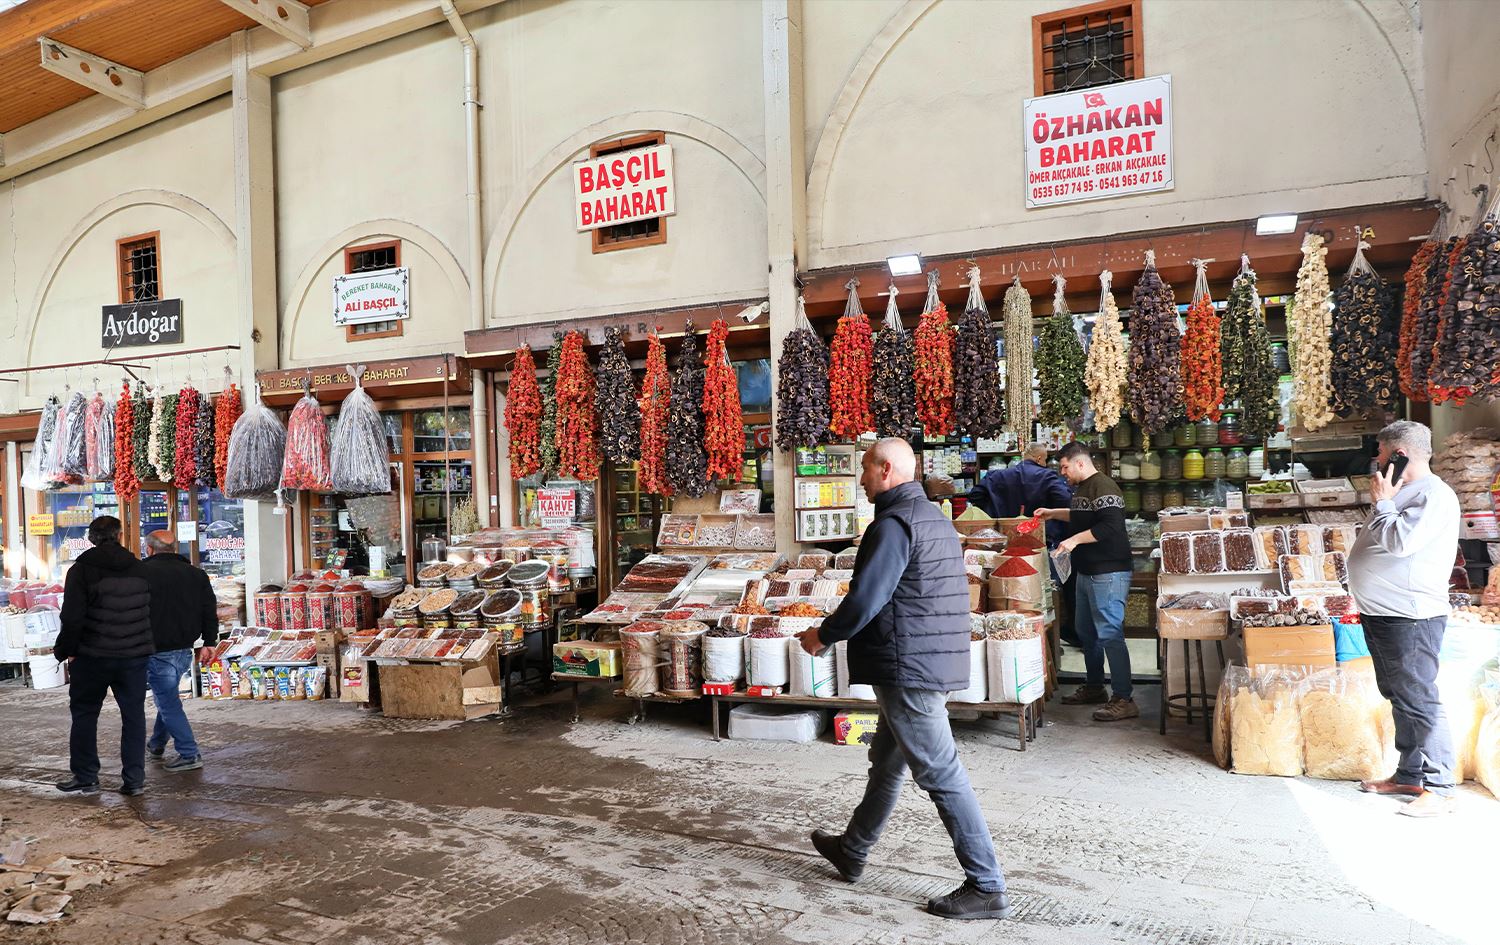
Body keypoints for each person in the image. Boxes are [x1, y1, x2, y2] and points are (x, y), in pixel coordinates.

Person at [796, 437, 1009, 921]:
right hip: (924, 657)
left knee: (940, 773)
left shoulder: (894, 523)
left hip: (908, 664)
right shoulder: (931, 517)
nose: (862, 479)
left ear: (887, 469)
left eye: (867, 469)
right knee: (888, 762)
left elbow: (867, 597)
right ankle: (853, 848)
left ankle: (987, 884)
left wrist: (824, 635)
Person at [1348, 421, 1461, 817]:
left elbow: (1400, 543)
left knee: (1418, 698)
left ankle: (1441, 786)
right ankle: (1410, 774)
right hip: (1385, 613)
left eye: (1381, 454)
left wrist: (1382, 503)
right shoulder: (1405, 491)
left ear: (1401, 455)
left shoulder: (1434, 496)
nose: (1376, 462)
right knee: (1400, 697)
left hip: (1410, 617)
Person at [1034, 441, 1137, 721]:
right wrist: (1053, 513)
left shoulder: (1104, 486)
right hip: (1086, 572)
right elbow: (1083, 517)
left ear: (1080, 463)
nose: (1062, 473)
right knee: (1086, 632)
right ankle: (1095, 687)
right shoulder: (1081, 489)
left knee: (1110, 634)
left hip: (1108, 572)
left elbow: (1110, 526)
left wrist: (1073, 540)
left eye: (1065, 467)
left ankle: (1123, 697)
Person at [53, 516, 153, 797]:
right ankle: (134, 780)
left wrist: (66, 651)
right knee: (133, 716)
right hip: (133, 656)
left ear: (91, 538)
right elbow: (149, 610)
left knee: (85, 714)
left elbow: (72, 617)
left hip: (92, 656)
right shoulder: (140, 568)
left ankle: (86, 776)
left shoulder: (81, 570)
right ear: (120, 535)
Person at [141, 529, 220, 773]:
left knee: (168, 702)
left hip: (156, 649)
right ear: (175, 549)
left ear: (149, 549)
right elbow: (209, 609)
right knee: (168, 698)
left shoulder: (140, 573)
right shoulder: (196, 575)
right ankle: (156, 744)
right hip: (185, 649)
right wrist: (209, 642)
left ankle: (188, 752)